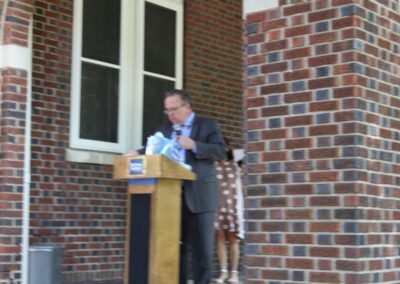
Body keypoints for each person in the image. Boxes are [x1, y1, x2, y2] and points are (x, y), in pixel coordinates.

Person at [131, 89, 226, 284]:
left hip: (200, 197)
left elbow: (221, 151)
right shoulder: (166, 129)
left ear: (187, 106)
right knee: (176, 250)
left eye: (174, 109)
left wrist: (195, 145)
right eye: (167, 111)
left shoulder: (208, 126)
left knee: (202, 254)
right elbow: (153, 148)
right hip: (171, 197)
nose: (170, 114)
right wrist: (135, 153)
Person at [214, 137, 244, 284]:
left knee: (232, 240)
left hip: (233, 205)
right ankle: (223, 272)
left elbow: (249, 153)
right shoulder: (213, 163)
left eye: (223, 146)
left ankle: (234, 274)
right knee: (219, 239)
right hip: (217, 205)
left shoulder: (237, 160)